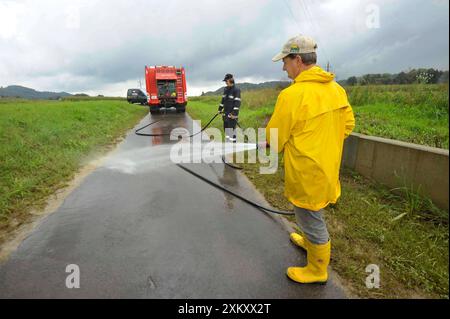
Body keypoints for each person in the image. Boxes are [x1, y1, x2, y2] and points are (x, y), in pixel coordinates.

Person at [266, 35, 355, 284]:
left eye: (285, 62)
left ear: (297, 59)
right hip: (327, 168)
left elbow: (275, 138)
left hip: (306, 171)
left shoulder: (292, 95)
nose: (283, 68)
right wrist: (323, 142)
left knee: (310, 216)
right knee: (311, 212)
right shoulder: (337, 90)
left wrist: (278, 143)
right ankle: (309, 242)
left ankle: (317, 269)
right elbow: (347, 125)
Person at [218, 74, 241, 142]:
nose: (225, 82)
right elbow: (222, 101)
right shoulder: (226, 89)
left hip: (232, 115)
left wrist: (234, 114)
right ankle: (228, 143)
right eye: (225, 81)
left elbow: (237, 103)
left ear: (231, 80)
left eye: (226, 81)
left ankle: (233, 145)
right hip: (225, 113)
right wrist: (219, 109)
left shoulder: (236, 90)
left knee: (232, 130)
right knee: (226, 129)